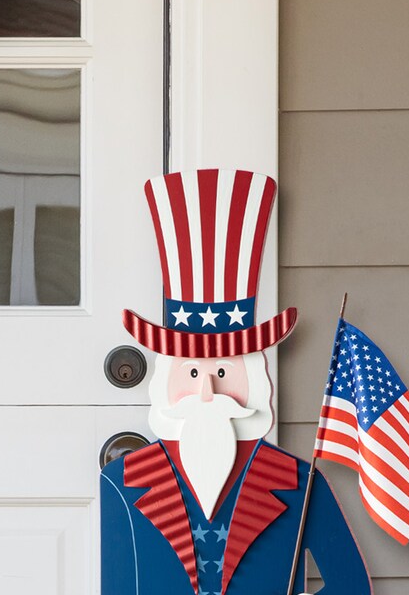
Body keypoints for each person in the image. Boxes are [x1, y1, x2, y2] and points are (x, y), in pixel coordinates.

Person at [100, 170, 371, 595]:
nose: (208, 391)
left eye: (224, 372)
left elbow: (350, 586)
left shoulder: (299, 482)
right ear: (165, 377)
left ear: (255, 377)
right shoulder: (122, 481)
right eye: (192, 372)